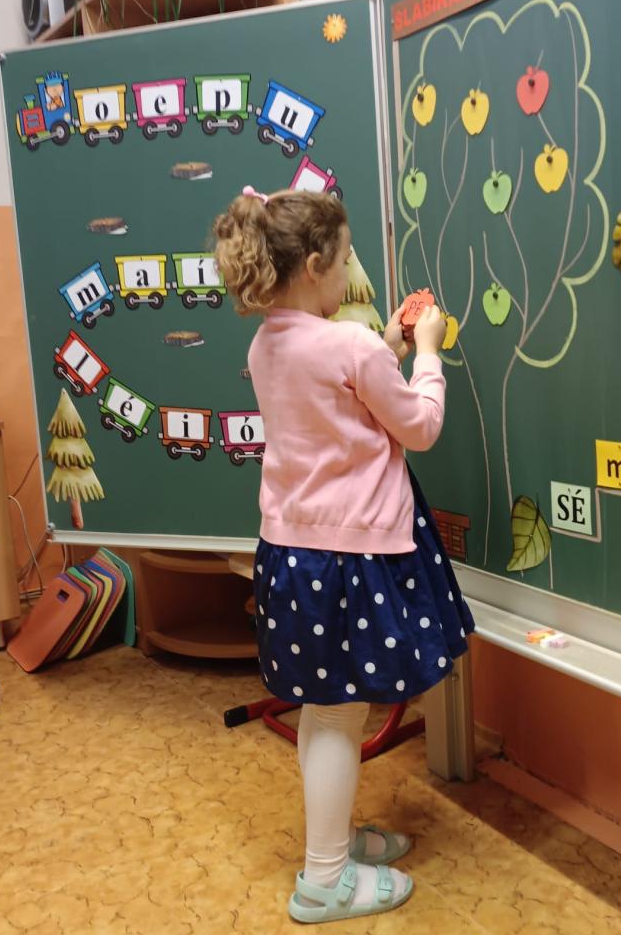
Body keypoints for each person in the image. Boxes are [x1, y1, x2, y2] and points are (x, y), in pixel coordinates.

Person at [213, 186, 475, 924]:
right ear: (316, 264)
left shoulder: (269, 343)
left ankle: (334, 842)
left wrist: (385, 346)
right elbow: (418, 426)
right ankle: (324, 879)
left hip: (293, 554)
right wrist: (426, 354)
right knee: (338, 716)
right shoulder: (349, 347)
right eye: (347, 258)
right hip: (352, 558)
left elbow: (337, 393)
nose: (350, 272)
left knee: (324, 710)